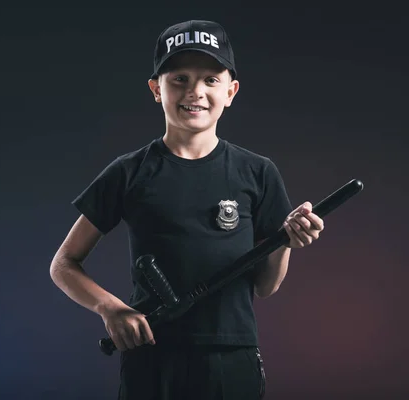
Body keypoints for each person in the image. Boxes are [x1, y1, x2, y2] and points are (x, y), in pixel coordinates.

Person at [50, 20, 324, 400]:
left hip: (231, 357)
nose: (195, 91)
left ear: (231, 91)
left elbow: (265, 286)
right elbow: (63, 263)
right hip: (151, 356)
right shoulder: (129, 172)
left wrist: (286, 242)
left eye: (210, 80)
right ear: (155, 89)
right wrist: (112, 309)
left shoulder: (258, 172)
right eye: (179, 78)